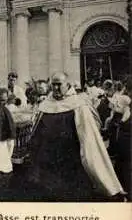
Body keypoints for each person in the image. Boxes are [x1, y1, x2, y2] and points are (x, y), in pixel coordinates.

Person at [26, 72, 126, 201]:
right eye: (53, 85)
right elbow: (38, 128)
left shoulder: (78, 104)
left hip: (71, 153)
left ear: (67, 85)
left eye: (59, 84)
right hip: (49, 154)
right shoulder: (46, 104)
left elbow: (88, 132)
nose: (55, 88)